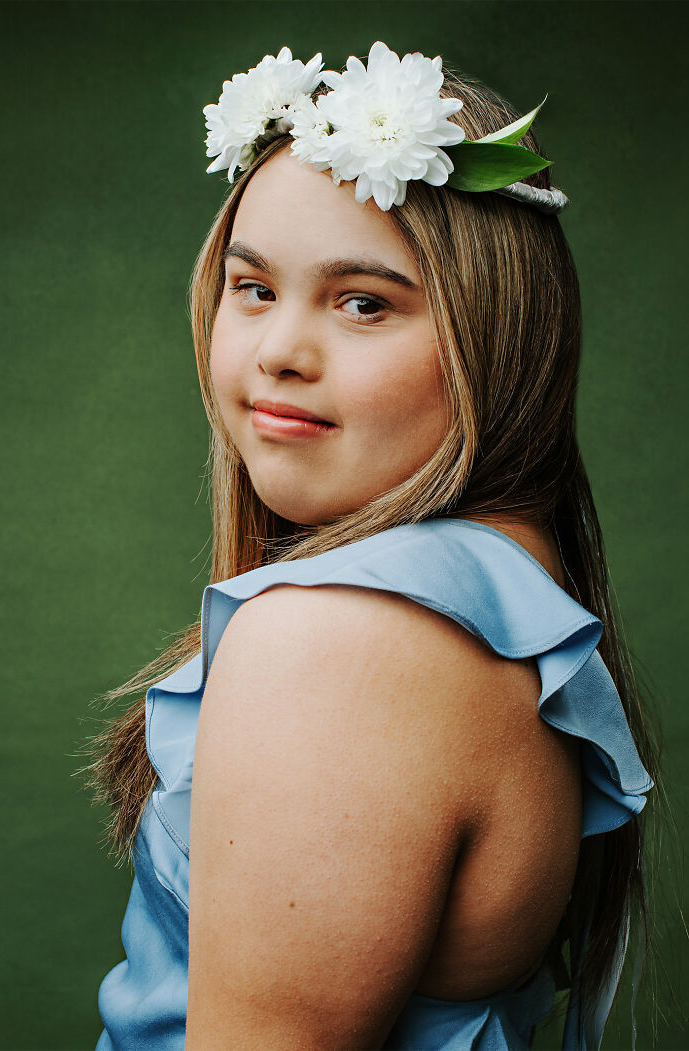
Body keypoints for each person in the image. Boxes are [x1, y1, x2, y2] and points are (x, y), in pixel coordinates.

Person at [85, 42, 656, 1050]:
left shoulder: (342, 639)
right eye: (253, 288)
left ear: (494, 338)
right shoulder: (505, 589)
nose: (278, 353)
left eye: (364, 303)